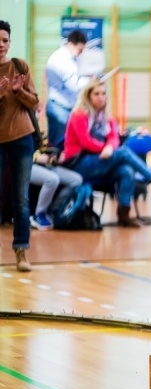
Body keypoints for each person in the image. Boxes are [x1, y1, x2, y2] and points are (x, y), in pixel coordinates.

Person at [62, 79, 151, 227]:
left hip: (99, 161)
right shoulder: (78, 115)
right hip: (78, 163)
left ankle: (124, 214)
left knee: (126, 170)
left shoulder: (107, 117)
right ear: (88, 96)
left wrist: (110, 147)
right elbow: (85, 141)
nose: (101, 97)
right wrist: (106, 148)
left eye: (104, 93)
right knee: (123, 152)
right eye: (96, 94)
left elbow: (114, 138)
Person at [0, 20, 39, 272]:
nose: (1, 45)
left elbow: (34, 102)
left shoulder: (19, 66)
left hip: (22, 138)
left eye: (5, 40)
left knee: (21, 199)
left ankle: (21, 252)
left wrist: (18, 91)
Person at [45, 29, 89, 147]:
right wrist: (91, 82)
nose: (80, 53)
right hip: (59, 108)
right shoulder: (61, 59)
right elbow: (74, 85)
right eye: (79, 50)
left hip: (65, 107)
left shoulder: (70, 59)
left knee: (66, 144)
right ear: (70, 44)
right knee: (58, 146)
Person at [29, 139, 83, 230]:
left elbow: (46, 147)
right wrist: (35, 158)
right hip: (27, 164)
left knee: (76, 180)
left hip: (46, 164)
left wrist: (56, 156)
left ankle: (54, 210)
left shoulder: (42, 128)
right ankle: (39, 214)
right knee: (52, 179)